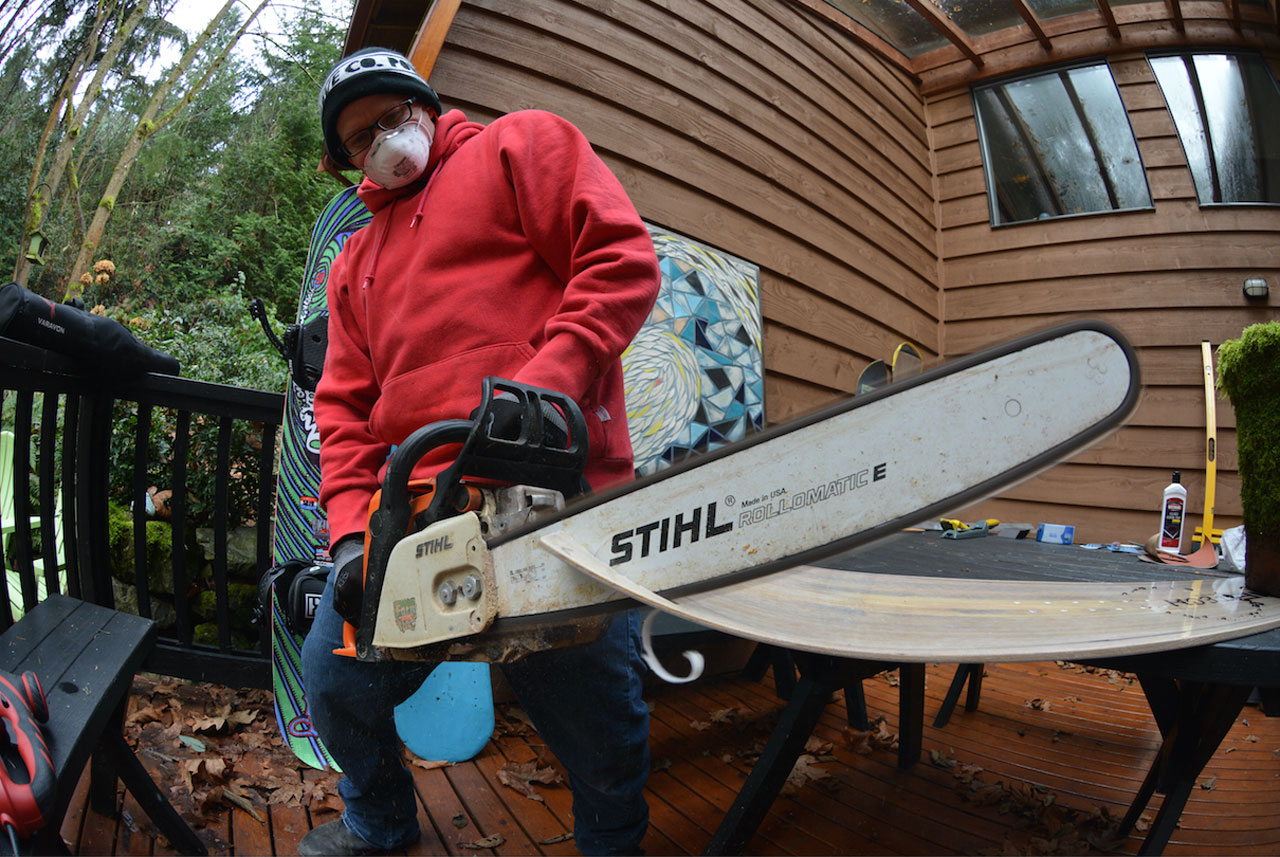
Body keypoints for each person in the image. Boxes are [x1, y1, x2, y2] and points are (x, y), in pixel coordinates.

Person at [298, 47, 661, 857]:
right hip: (419, 508)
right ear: (346, 160)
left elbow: (619, 262)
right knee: (336, 678)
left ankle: (612, 838)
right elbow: (345, 408)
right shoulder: (353, 263)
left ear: (426, 105)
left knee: (592, 706)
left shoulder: (520, 147)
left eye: (394, 115)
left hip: (552, 488)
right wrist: (355, 533)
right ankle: (378, 821)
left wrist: (538, 396)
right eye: (362, 138)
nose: (386, 140)